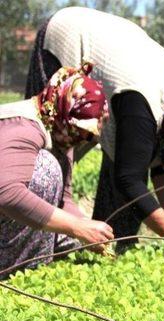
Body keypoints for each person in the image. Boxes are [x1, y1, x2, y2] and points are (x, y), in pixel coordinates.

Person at [25, 7, 164, 258]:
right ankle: (35, 247)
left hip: (122, 53)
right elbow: (129, 179)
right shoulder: (142, 102)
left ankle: (105, 247)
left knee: (129, 163)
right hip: (70, 34)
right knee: (50, 153)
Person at [0, 63, 112, 279]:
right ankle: (14, 269)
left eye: (87, 136)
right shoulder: (24, 127)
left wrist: (87, 230)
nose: (80, 140)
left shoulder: (58, 126)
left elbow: (63, 199)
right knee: (45, 167)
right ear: (64, 109)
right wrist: (77, 227)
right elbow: (7, 193)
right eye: (78, 131)